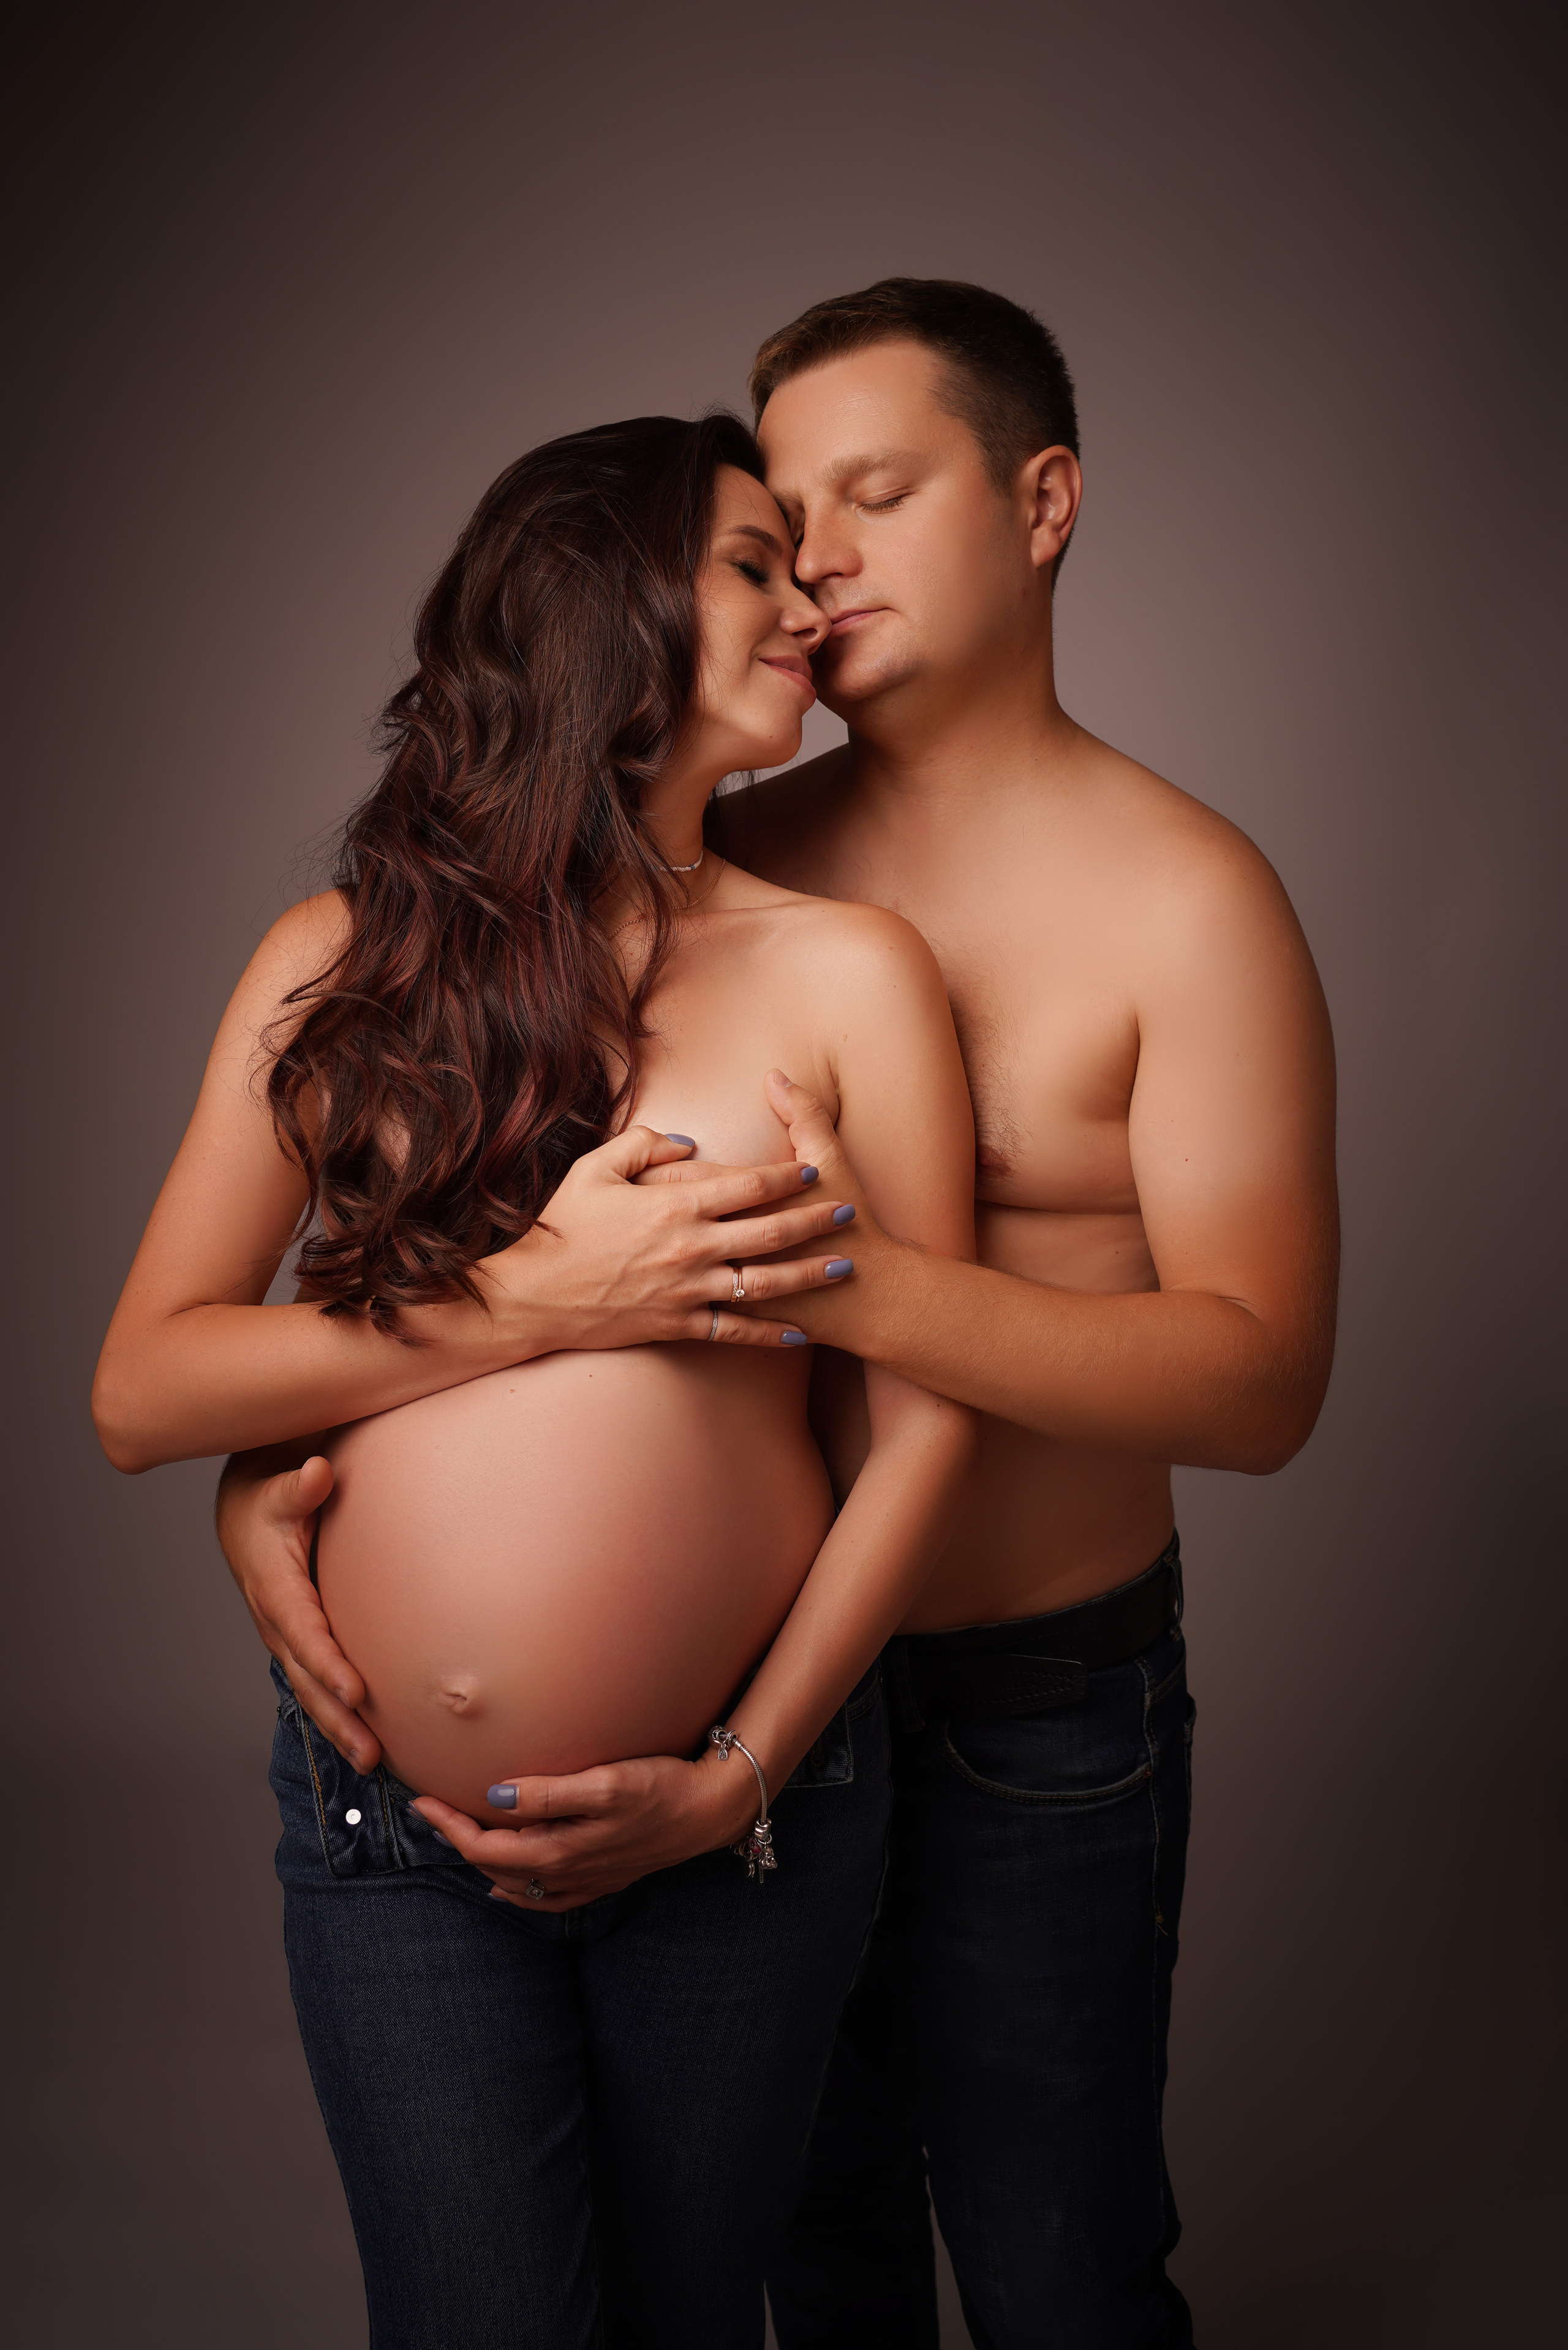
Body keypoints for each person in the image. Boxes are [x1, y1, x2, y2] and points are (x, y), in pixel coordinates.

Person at [214, 280, 1340, 2348]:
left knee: (1056, 2254)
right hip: (722, 1699)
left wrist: (855, 1275)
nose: (813, 563)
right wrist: (266, 1484)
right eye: (780, 521)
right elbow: (435, 1239)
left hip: (1023, 1706)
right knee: (795, 2278)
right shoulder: (716, 852)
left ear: (1045, 500)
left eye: (874, 496)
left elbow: (1261, 1379)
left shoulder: (1189, 896)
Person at [92, 412, 978, 2349]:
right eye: (752, 559)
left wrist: (730, 1784)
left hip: (745, 1819)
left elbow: (923, 1429)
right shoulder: (345, 962)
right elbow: (145, 1389)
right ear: (608, 606)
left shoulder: (856, 973)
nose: (805, 593)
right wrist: (544, 1307)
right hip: (393, 1832)